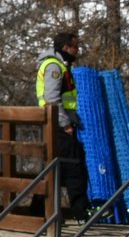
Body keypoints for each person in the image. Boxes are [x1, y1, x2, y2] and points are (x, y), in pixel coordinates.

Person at [37, 31, 90, 218]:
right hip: (57, 125)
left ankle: (37, 210)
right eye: (75, 46)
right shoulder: (54, 66)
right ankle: (80, 211)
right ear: (66, 47)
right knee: (73, 167)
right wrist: (66, 123)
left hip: (57, 123)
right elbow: (52, 99)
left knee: (52, 169)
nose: (77, 50)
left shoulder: (61, 65)